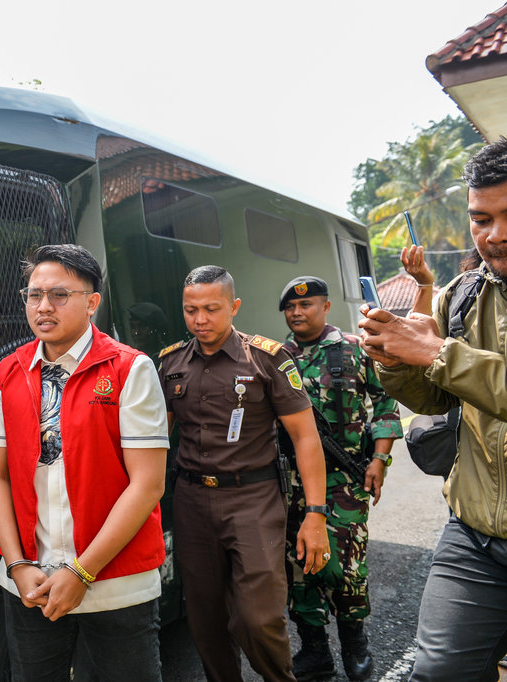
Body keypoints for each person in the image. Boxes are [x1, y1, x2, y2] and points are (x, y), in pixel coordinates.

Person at [0, 243, 169, 681]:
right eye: (34, 295)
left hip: (116, 585)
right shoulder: (6, 373)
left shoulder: (129, 369)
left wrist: (82, 572)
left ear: (92, 302)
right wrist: (17, 565)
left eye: (59, 295)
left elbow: (147, 485)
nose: (43, 306)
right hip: (29, 585)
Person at [359, 137, 507, 682]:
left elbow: (444, 361)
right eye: (481, 218)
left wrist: (438, 352)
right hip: (474, 537)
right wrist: (393, 360)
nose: (495, 235)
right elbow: (435, 398)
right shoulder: (462, 295)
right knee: (435, 673)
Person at [158, 265, 329, 682]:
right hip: (192, 500)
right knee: (206, 618)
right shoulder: (170, 363)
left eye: (211, 309)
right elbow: (157, 440)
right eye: (190, 310)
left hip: (253, 499)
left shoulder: (268, 358)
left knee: (258, 617)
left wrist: (316, 514)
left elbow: (306, 437)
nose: (200, 320)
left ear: (233, 307)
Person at [278, 276, 403, 681]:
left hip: (345, 481)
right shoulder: (277, 358)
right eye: (291, 308)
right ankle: (315, 652)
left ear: (326, 307)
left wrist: (379, 461)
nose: (298, 313)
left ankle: (356, 647)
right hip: (292, 485)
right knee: (299, 568)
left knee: (345, 570)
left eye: (307, 305)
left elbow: (386, 404)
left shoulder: (352, 349)